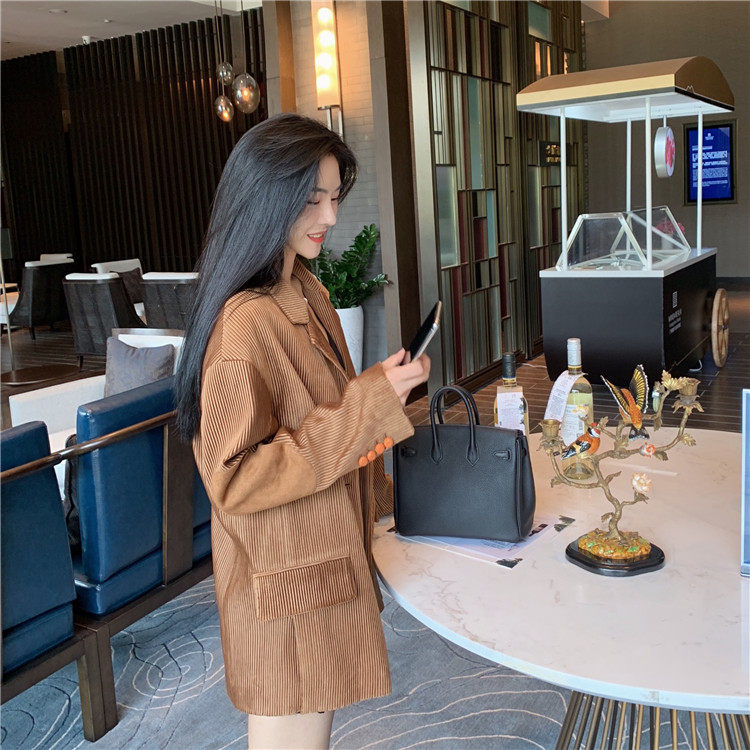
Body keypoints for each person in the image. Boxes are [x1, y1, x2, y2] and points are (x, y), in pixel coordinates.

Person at [175, 113, 430, 749]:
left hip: (313, 561)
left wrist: (374, 386)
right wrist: (366, 404)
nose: (331, 216)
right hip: (283, 583)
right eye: (313, 199)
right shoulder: (244, 322)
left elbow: (317, 409)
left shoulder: (303, 289)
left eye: (335, 197)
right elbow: (234, 479)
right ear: (268, 200)